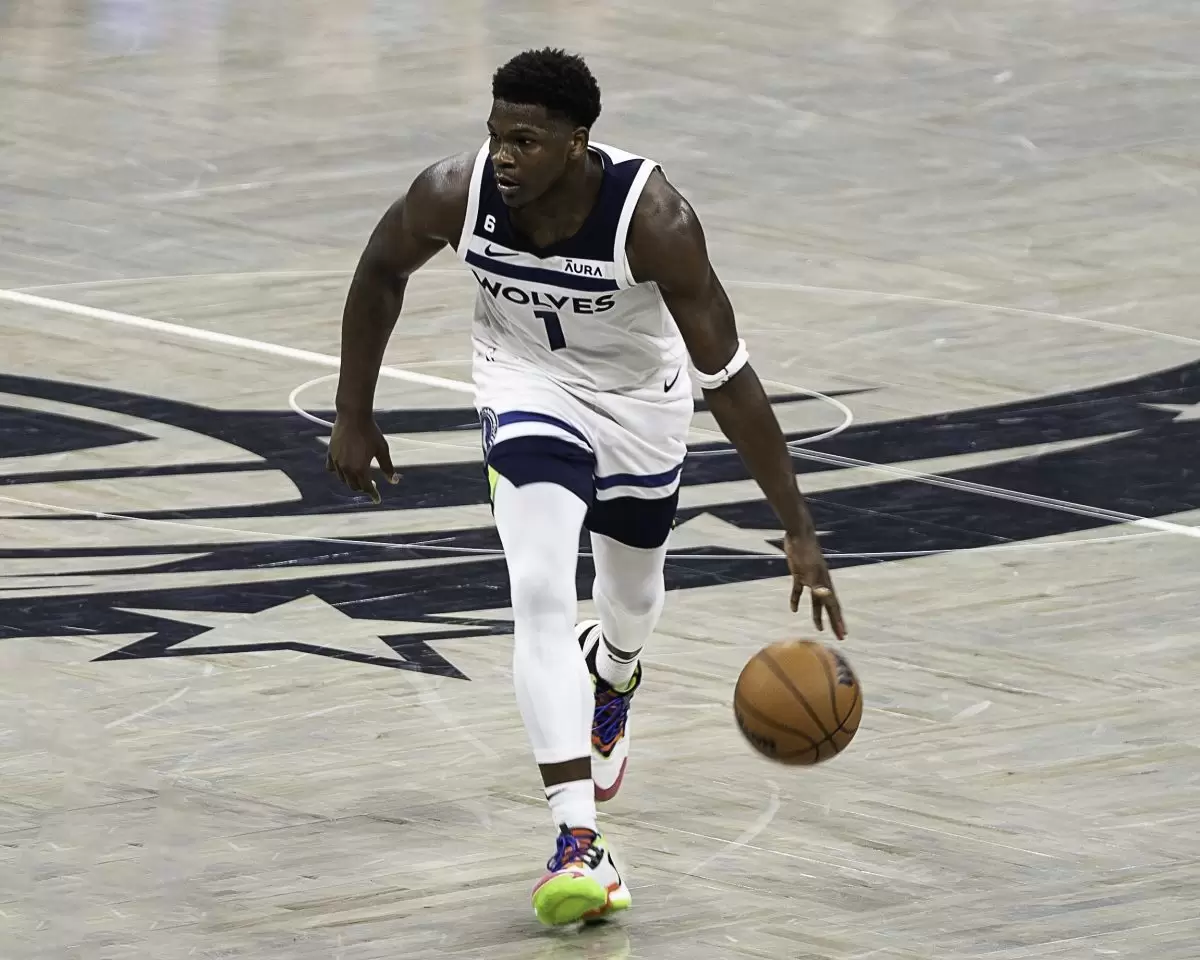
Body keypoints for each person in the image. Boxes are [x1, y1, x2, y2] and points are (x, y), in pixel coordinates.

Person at [326, 47, 847, 927]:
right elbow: (381, 270)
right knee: (537, 588)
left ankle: (615, 671)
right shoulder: (456, 193)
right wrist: (353, 411)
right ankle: (578, 841)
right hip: (524, 386)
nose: (503, 156)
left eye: (525, 142)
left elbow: (729, 379)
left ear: (577, 143)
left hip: (640, 402)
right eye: (496, 135)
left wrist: (795, 524)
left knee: (631, 598)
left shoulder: (656, 221)